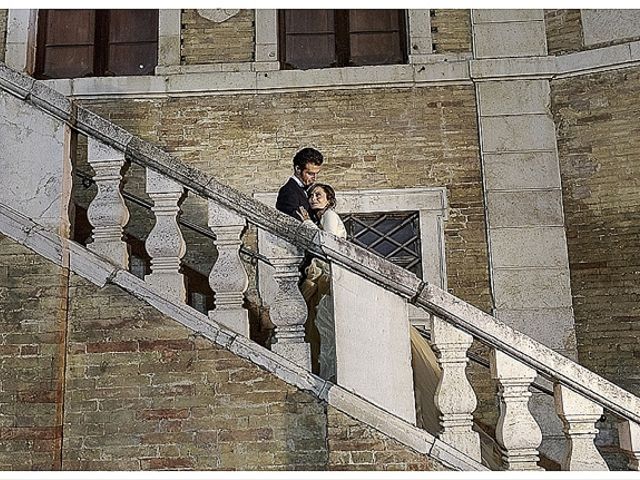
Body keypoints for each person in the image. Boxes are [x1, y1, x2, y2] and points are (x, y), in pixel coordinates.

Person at [297, 183, 345, 382]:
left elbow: (328, 244)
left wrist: (308, 224)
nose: (313, 198)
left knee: (327, 324)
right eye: (311, 196)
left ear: (329, 200)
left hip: (328, 276)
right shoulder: (322, 218)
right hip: (322, 274)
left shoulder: (329, 216)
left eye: (319, 195)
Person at [275, 147, 323, 220]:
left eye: (316, 174)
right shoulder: (288, 192)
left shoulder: (308, 190)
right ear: (298, 169)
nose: (315, 178)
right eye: (310, 173)